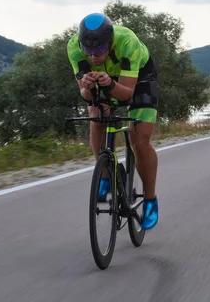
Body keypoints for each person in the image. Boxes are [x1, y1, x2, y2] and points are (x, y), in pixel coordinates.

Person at [66, 12, 159, 230]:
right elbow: (87, 97)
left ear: (110, 43)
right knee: (97, 116)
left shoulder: (128, 42)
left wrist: (108, 85)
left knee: (139, 140)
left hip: (140, 78)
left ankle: (150, 199)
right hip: (104, 79)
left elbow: (126, 94)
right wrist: (87, 87)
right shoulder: (73, 47)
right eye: (88, 51)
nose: (93, 56)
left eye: (99, 50)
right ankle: (105, 173)